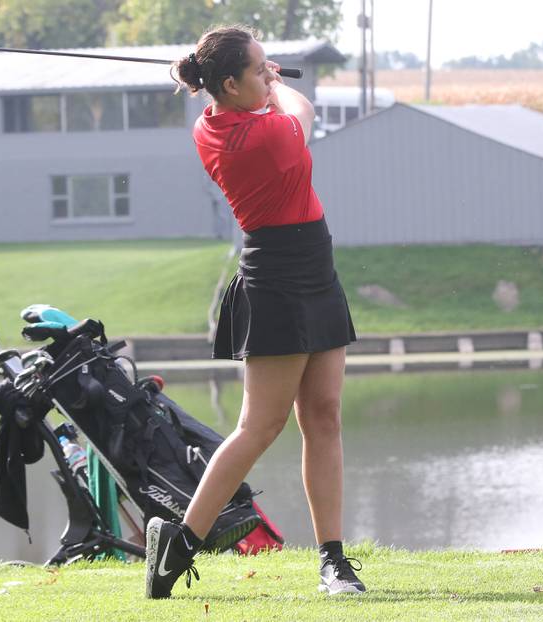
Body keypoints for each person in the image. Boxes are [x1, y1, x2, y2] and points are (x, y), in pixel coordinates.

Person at [145, 25, 365, 599]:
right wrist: (279, 86)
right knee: (259, 426)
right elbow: (304, 107)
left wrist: (261, 80)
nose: (269, 74)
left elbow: (273, 102)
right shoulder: (265, 136)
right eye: (260, 69)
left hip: (315, 267)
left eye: (269, 66)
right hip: (276, 278)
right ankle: (180, 543)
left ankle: (333, 561)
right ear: (228, 85)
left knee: (324, 415)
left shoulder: (213, 120)